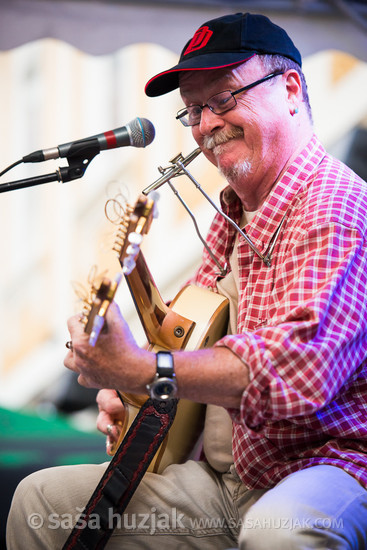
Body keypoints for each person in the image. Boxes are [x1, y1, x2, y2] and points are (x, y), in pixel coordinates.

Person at [6, 12, 367, 550]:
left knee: (279, 537)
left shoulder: (337, 207)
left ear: (290, 89)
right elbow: (186, 343)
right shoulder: (229, 215)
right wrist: (126, 389)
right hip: (231, 482)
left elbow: (298, 372)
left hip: (329, 468)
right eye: (194, 110)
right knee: (40, 505)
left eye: (222, 99)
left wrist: (143, 367)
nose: (205, 125)